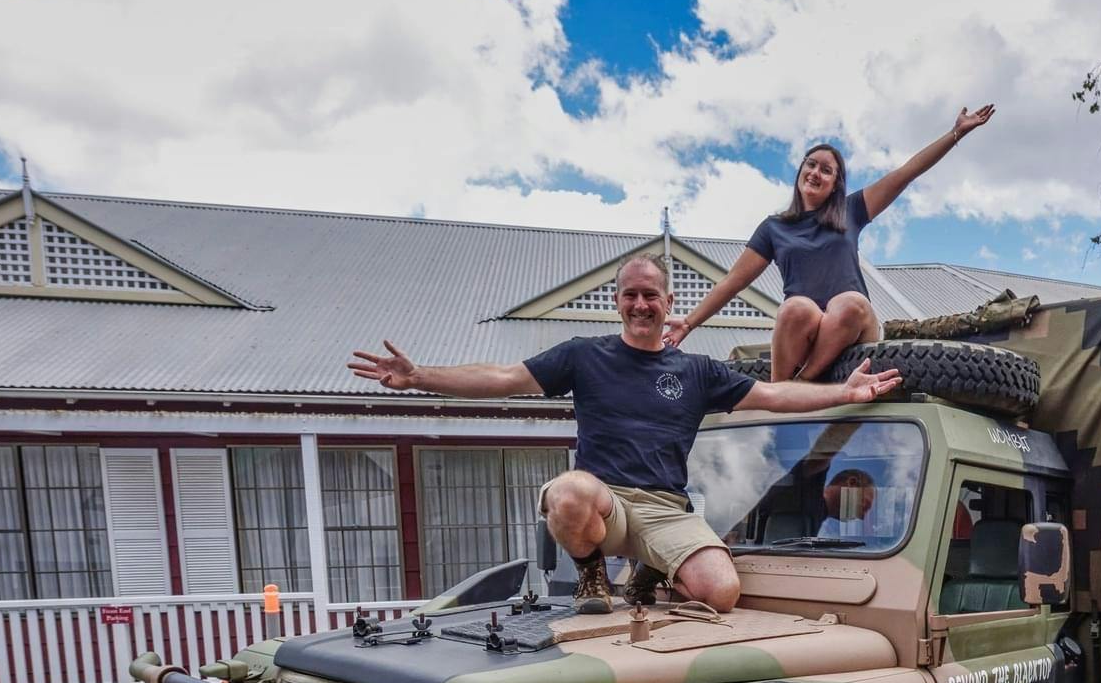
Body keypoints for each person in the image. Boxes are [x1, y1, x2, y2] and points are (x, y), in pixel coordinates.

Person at [348, 254, 900, 615]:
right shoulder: (584, 356)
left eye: (651, 296)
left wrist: (843, 393)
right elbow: (503, 377)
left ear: (668, 304)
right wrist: (421, 377)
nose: (641, 304)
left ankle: (649, 571)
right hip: (606, 503)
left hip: (666, 508)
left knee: (723, 592)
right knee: (568, 492)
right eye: (631, 295)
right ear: (619, 301)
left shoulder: (696, 372)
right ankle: (593, 576)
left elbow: (777, 395)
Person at [664, 105, 995, 381]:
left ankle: (800, 386)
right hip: (804, 333)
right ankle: (781, 389)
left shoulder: (850, 211)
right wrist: (689, 323)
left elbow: (906, 172)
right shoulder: (774, 228)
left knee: (849, 302)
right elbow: (734, 281)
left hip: (854, 329)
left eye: (826, 170)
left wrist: (955, 134)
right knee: (795, 307)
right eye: (811, 165)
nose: (815, 173)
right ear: (800, 171)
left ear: (835, 184)